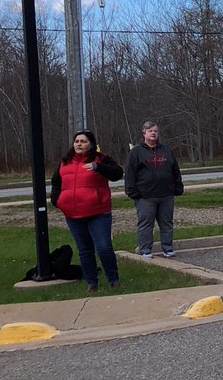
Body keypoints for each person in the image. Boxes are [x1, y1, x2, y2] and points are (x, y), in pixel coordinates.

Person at [51, 130, 123, 292]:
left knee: (104, 248)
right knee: (84, 250)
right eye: (77, 141)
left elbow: (117, 173)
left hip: (98, 213)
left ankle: (114, 279)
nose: (79, 144)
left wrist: (98, 167)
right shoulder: (65, 162)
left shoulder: (101, 159)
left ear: (91, 144)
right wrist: (57, 200)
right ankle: (91, 283)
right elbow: (56, 182)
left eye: (83, 141)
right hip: (73, 215)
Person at [124, 121, 183, 259]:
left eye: (155, 131)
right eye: (150, 131)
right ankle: (145, 250)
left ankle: (168, 248)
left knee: (167, 223)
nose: (153, 133)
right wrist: (132, 191)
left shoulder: (166, 150)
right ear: (144, 133)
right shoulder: (136, 152)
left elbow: (175, 170)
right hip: (145, 196)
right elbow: (130, 173)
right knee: (146, 224)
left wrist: (178, 186)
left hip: (166, 195)